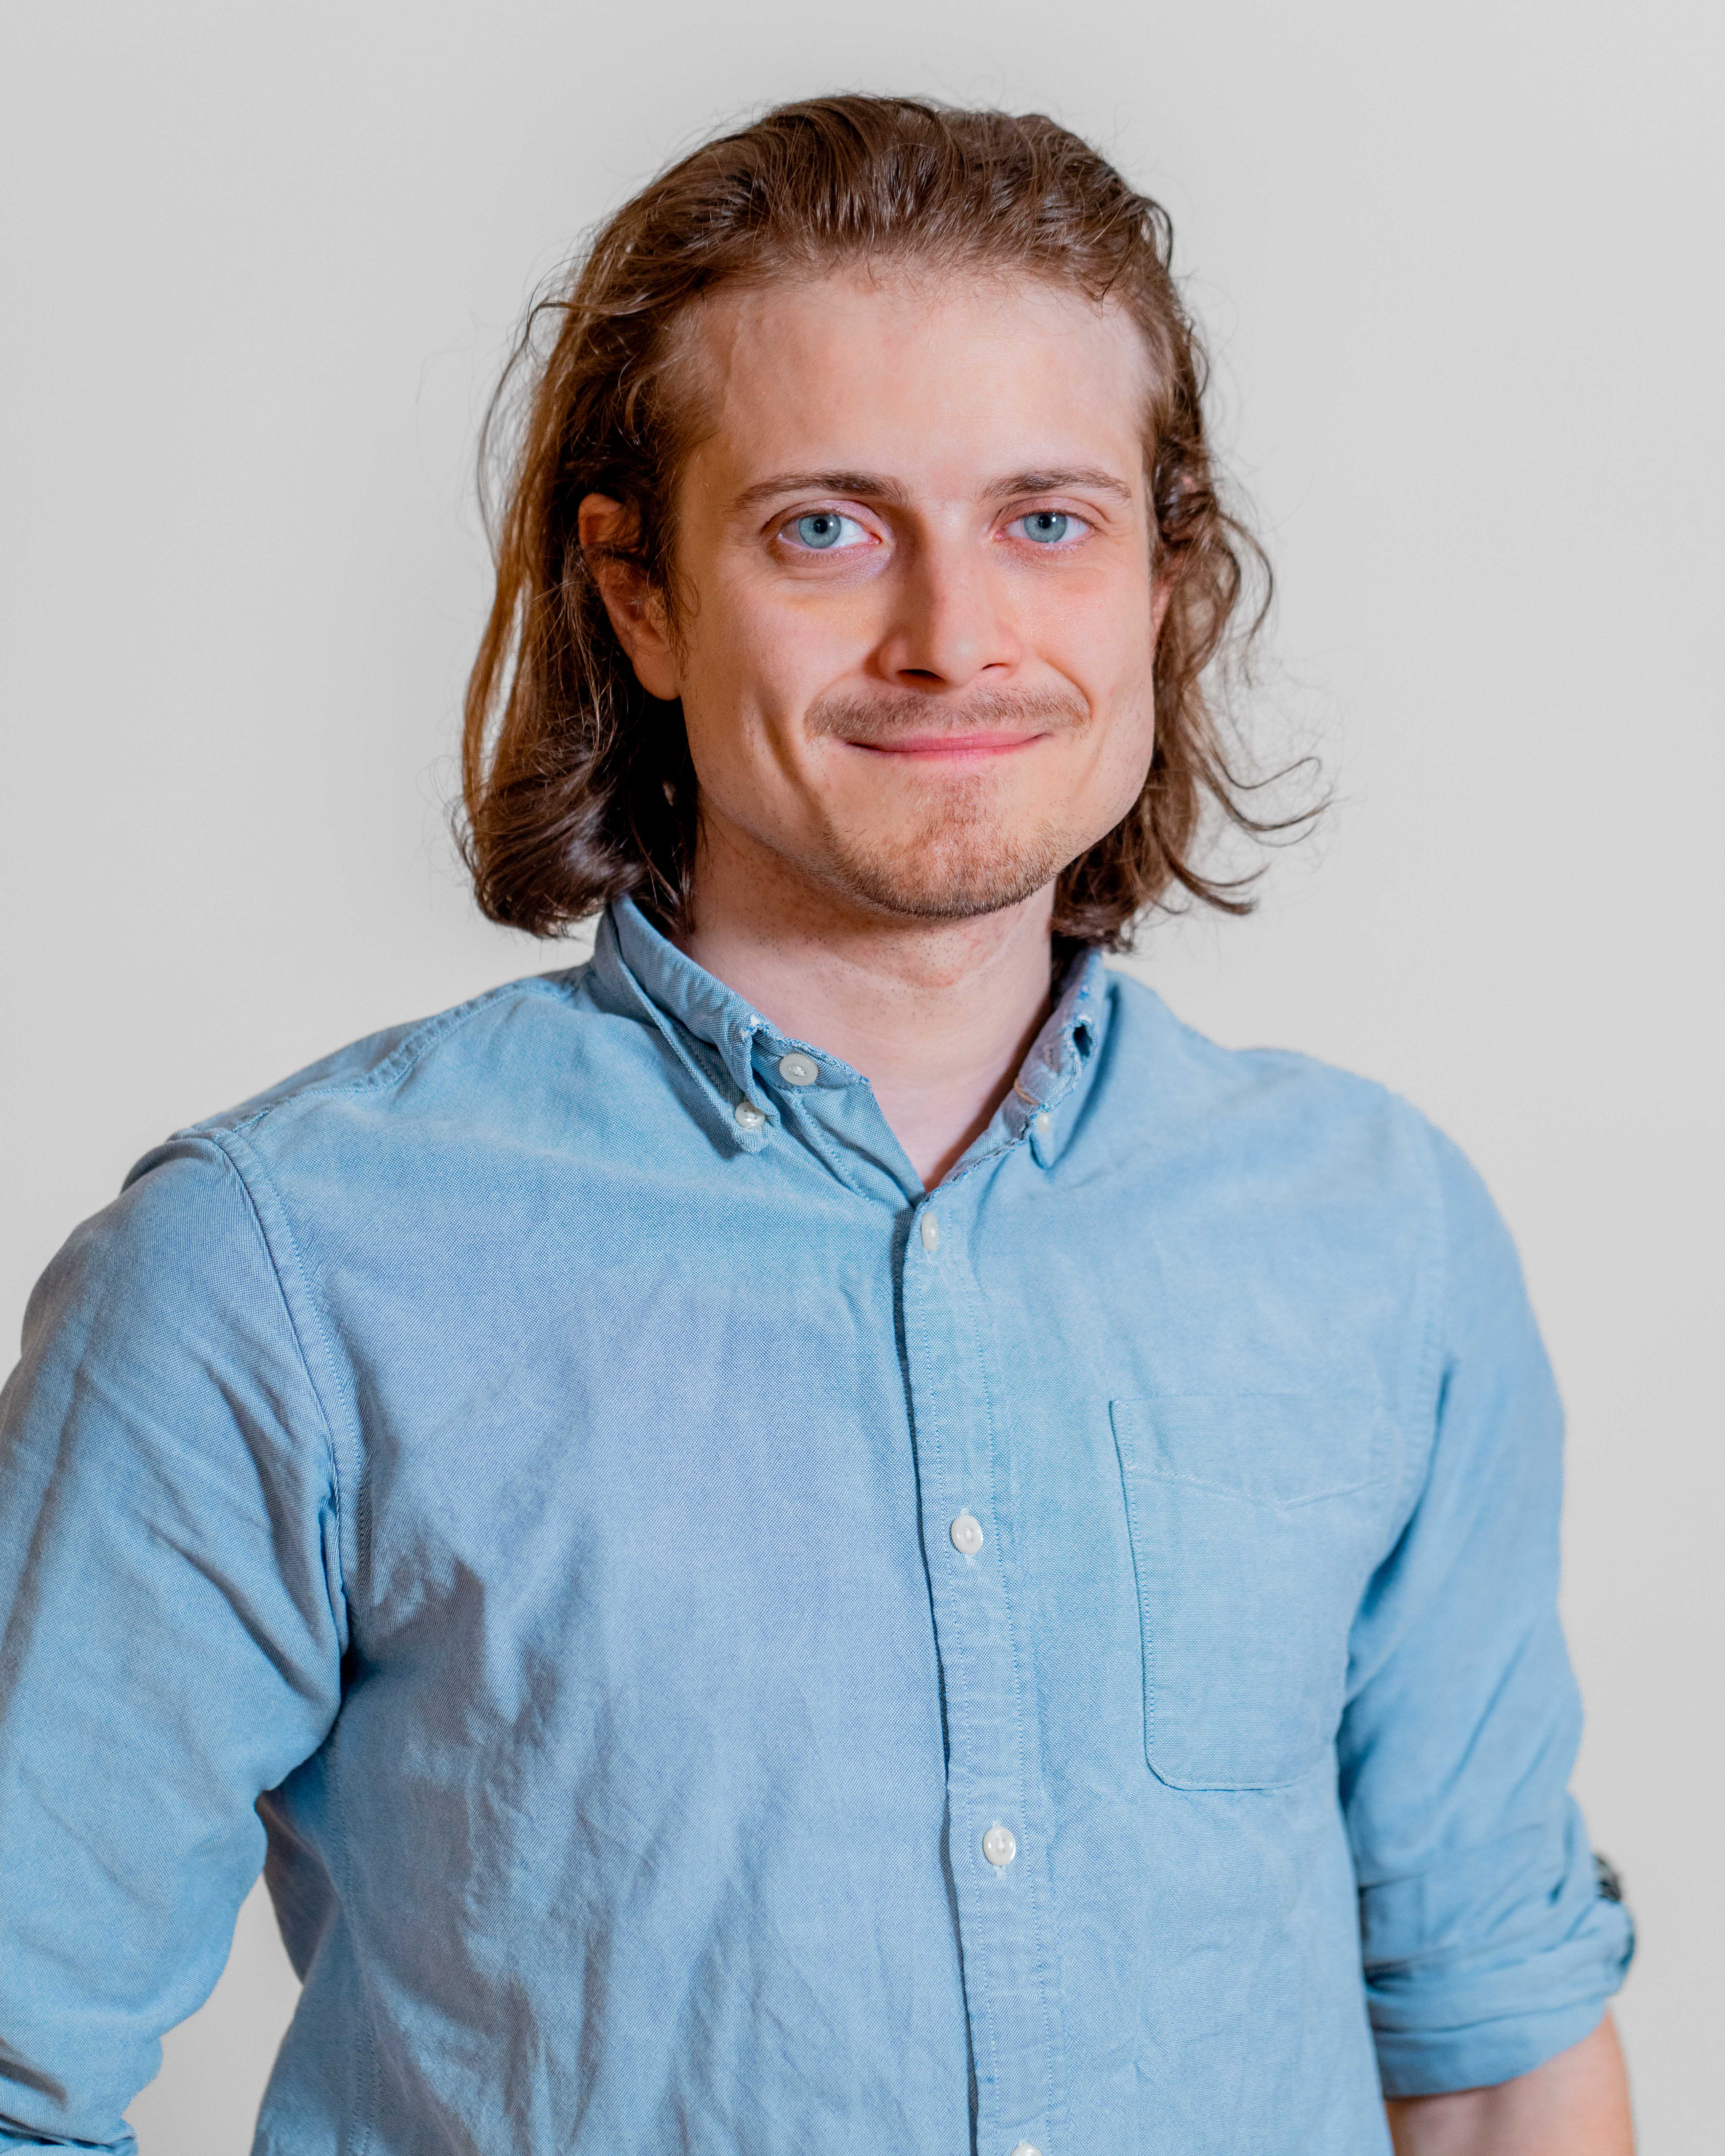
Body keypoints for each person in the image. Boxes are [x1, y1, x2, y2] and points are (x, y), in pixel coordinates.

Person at [0, 95, 1634, 2156]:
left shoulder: (1379, 1239)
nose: (954, 634)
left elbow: (1489, 2051)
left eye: (1049, 519)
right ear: (643, 596)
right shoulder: (275, 1268)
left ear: (1162, 580)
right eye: (826, 527)